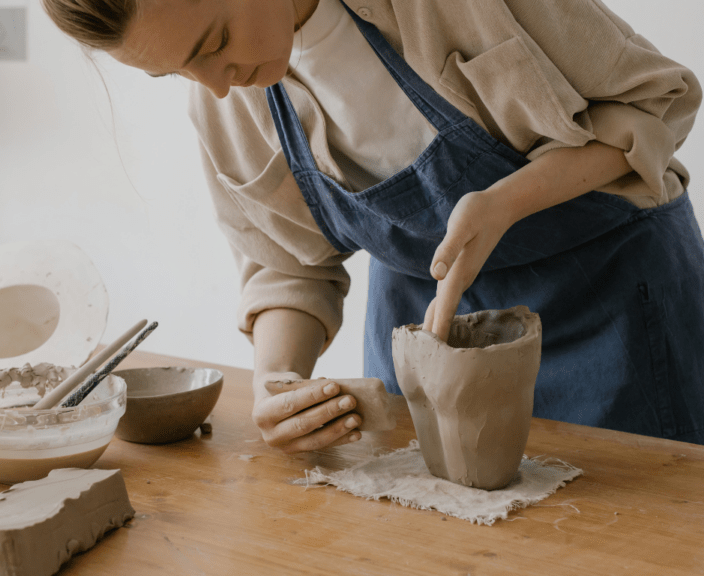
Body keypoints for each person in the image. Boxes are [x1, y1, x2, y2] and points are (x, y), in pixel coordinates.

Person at [44, 0, 704, 450]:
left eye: (213, 42)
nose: (216, 84)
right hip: (424, 336)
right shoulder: (225, 103)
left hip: (613, 308)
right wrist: (278, 381)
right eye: (175, 72)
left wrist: (509, 199)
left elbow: (655, 103)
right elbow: (286, 266)